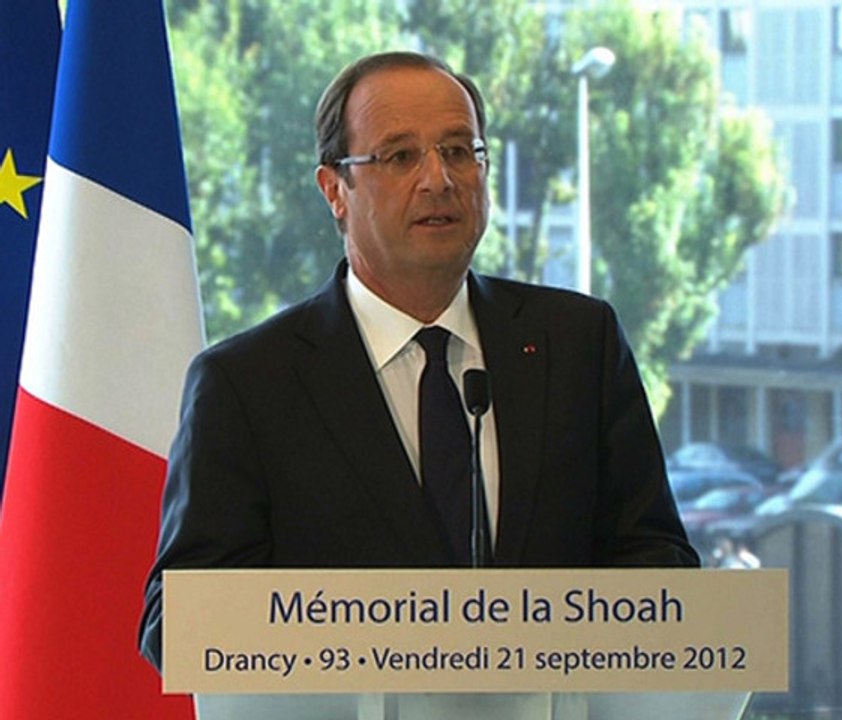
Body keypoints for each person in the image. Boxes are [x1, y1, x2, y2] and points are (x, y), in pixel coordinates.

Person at [138, 51, 698, 672]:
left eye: (459, 151)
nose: (439, 179)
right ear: (335, 190)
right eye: (400, 156)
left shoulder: (579, 344)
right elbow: (178, 622)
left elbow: (659, 564)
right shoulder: (248, 384)